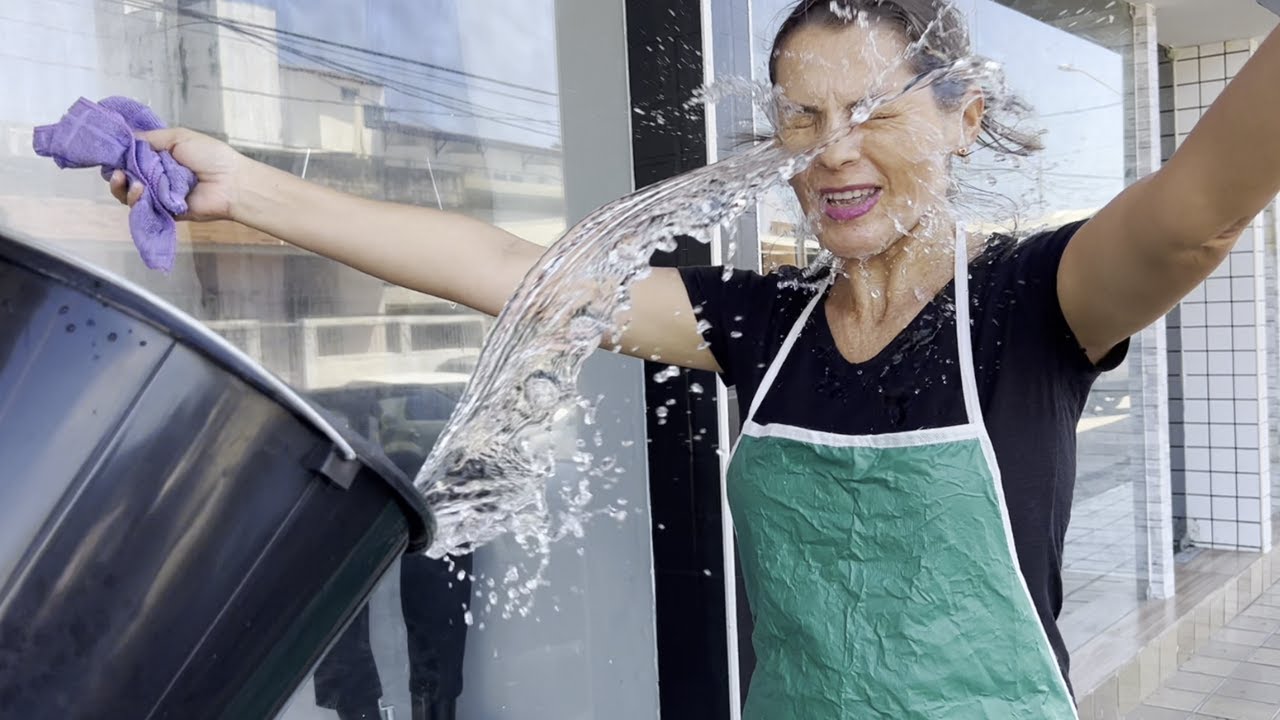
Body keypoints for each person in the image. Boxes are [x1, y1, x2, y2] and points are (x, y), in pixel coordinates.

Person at [106, 0, 1280, 715]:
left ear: (959, 116)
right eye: (799, 118)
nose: (831, 153)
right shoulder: (760, 325)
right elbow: (512, 270)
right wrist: (249, 190)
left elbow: (1192, 214)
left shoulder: (1028, 304)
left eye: (869, 110)